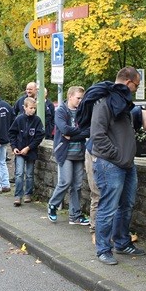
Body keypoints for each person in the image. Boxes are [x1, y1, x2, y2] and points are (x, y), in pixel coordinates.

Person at [89, 67, 146, 265]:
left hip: (126, 164)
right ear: (128, 82)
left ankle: (122, 242)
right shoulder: (104, 102)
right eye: (136, 85)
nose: (136, 89)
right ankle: (103, 249)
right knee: (108, 207)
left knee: (126, 205)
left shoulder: (123, 104)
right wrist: (116, 155)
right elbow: (97, 134)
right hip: (110, 164)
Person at [47, 86, 90, 225]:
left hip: (78, 152)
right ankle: (53, 205)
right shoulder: (60, 111)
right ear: (70, 96)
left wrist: (71, 136)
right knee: (65, 181)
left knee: (77, 186)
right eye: (78, 98)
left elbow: (88, 131)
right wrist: (79, 131)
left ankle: (75, 215)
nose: (80, 101)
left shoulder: (82, 111)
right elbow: (64, 129)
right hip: (65, 152)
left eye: (82, 98)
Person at [8, 97, 44, 206]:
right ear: (25, 108)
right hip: (19, 151)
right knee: (19, 173)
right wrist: (14, 147)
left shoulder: (37, 120)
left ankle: (28, 193)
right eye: (31, 108)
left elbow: (39, 137)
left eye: (34, 108)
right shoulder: (19, 119)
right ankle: (18, 195)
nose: (32, 110)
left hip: (31, 151)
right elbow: (12, 133)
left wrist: (28, 148)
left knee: (29, 174)